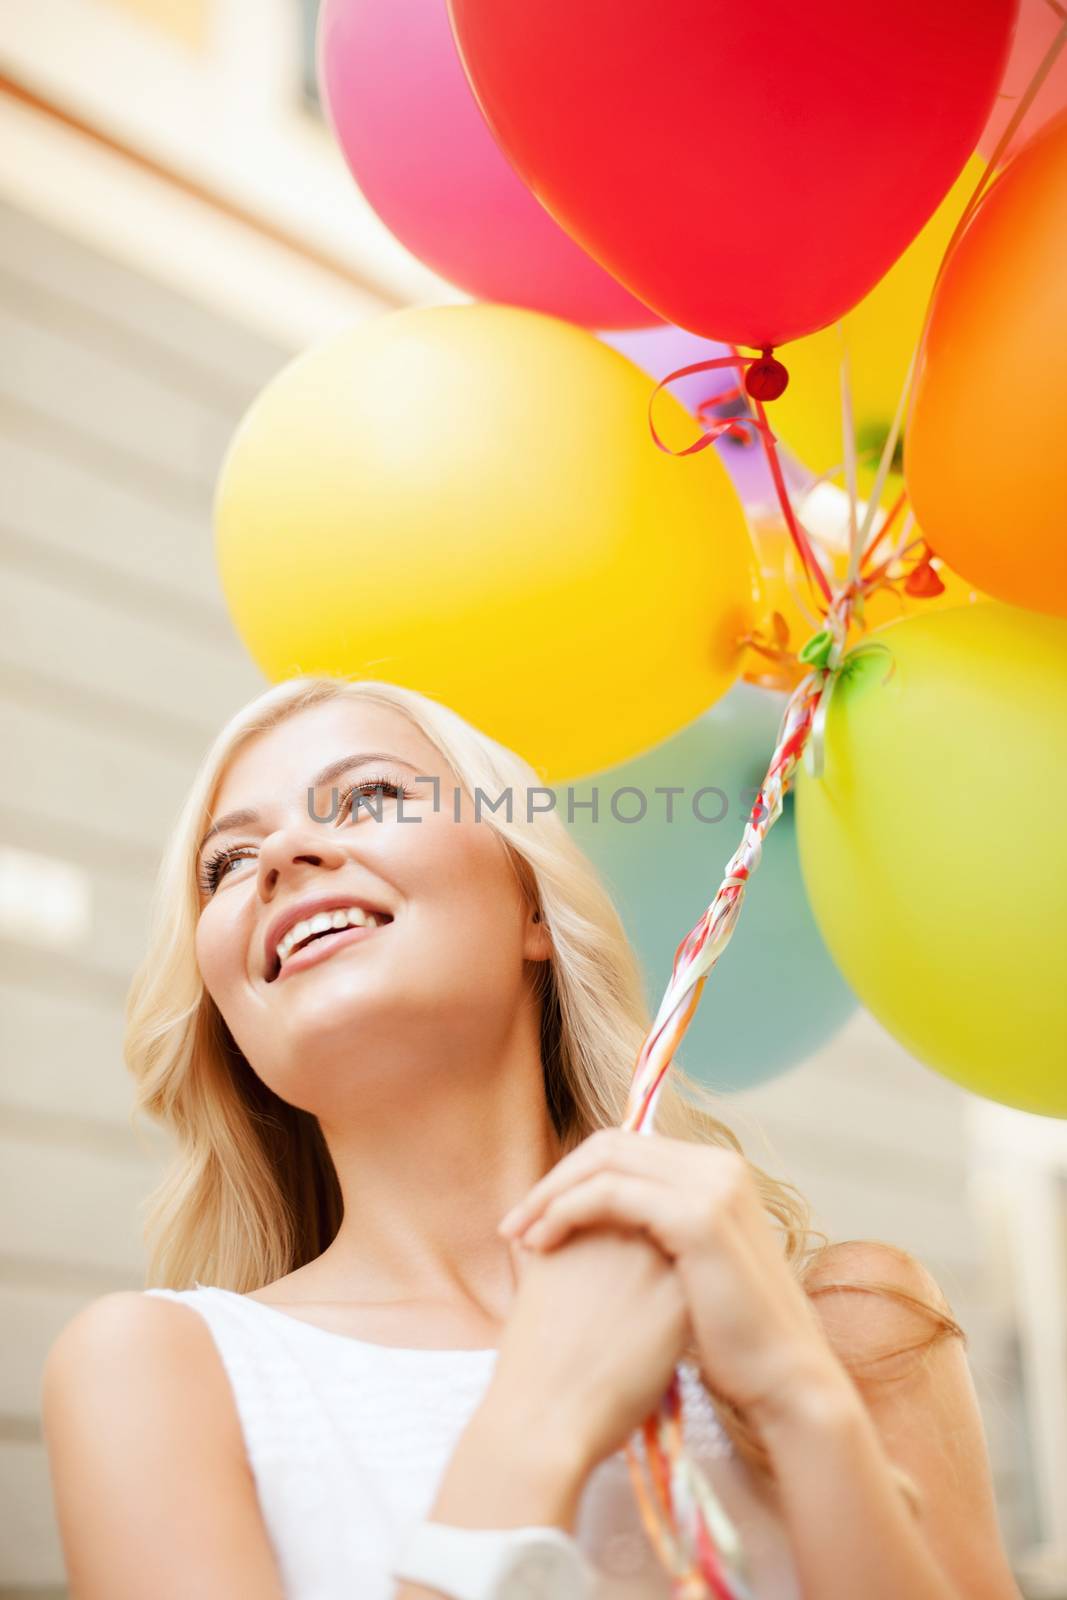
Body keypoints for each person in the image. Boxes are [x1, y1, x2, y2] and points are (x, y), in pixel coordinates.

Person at [41, 676, 1021, 1600]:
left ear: (532, 908)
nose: (284, 856)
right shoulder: (156, 1369)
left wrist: (798, 1399)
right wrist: (535, 1424)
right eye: (227, 862)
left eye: (369, 795)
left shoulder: (856, 1327)